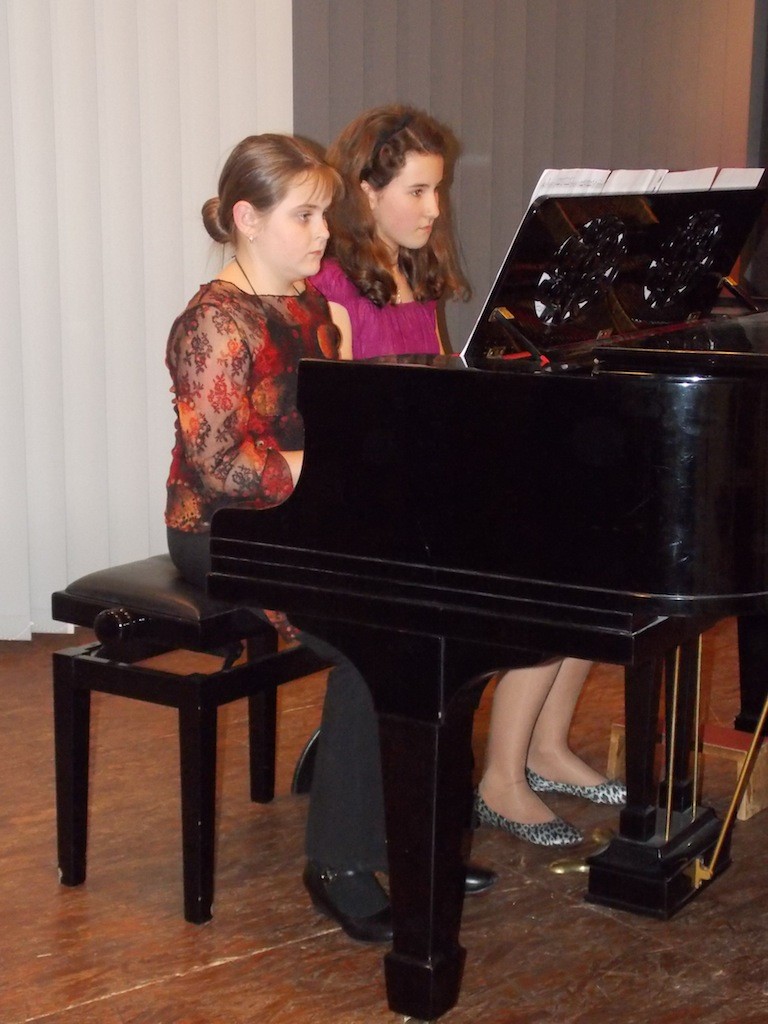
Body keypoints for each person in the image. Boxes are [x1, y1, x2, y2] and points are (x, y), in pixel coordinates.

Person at [164, 133, 492, 948]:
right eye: (305, 217)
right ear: (247, 219)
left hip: (303, 516)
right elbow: (220, 468)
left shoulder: (313, 307)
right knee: (366, 642)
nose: (323, 234)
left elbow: (334, 423)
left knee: (437, 613)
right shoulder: (213, 322)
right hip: (222, 530)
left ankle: (408, 836)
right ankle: (340, 862)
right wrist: (334, 468)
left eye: (324, 216)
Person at [311, 105, 625, 848]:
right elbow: (349, 426)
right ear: (365, 191)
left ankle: (544, 747)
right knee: (542, 568)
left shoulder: (412, 270)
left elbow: (435, 397)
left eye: (439, 189)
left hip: (420, 483)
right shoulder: (331, 284)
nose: (435, 208)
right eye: (418, 191)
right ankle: (500, 781)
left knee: (600, 556)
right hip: (378, 505)